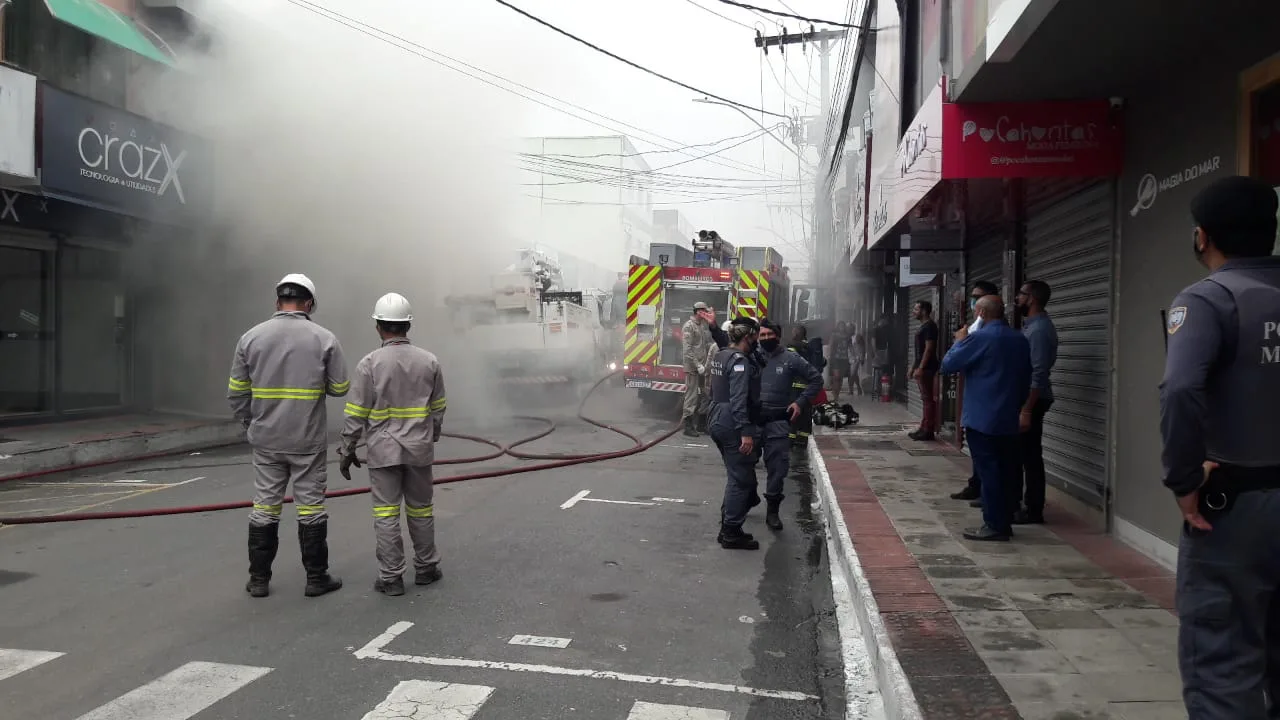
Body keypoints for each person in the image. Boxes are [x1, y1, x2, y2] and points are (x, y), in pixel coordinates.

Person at [1158, 175, 1280, 719]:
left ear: (1202, 236)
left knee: (1224, 665)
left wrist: (1185, 481)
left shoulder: (1209, 299)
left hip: (1237, 508)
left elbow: (1181, 389)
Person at [229, 273, 349, 598]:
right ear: (309, 303)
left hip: (266, 439)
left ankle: (258, 580)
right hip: (306, 440)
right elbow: (340, 388)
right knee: (310, 508)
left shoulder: (250, 338)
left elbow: (237, 393)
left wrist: (250, 423)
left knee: (264, 506)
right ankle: (316, 578)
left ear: (277, 301)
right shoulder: (324, 338)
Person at [338, 292, 447, 597]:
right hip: (419, 450)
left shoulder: (369, 364)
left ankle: (391, 578)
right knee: (421, 510)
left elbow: (356, 413)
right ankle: (426, 569)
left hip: (383, 452)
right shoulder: (430, 361)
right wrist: (431, 435)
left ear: (378, 326)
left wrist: (347, 450)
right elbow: (438, 407)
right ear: (407, 326)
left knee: (386, 514)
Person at [940, 295, 1030, 542]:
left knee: (989, 472)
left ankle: (994, 524)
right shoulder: (1019, 339)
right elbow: (1026, 378)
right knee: (1007, 470)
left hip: (982, 418)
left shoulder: (978, 339)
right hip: (1007, 417)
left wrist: (960, 341)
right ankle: (1006, 516)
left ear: (980, 313)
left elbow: (948, 365)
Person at [756, 320, 823, 530]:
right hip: (753, 422)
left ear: (778, 335)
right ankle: (744, 499)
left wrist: (800, 402)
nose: (765, 338)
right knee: (741, 467)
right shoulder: (752, 356)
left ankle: (772, 512)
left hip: (778, 421)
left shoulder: (791, 358)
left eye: (769, 334)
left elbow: (816, 380)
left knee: (777, 468)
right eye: (762, 335)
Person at [707, 316, 763, 550]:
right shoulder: (740, 361)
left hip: (716, 416)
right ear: (748, 337)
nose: (757, 342)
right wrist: (745, 432)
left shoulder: (721, 355)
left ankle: (730, 527)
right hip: (732, 421)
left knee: (738, 475)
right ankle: (730, 531)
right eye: (756, 338)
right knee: (739, 479)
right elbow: (739, 399)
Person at [1012, 279, 1058, 525]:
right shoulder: (1031, 326)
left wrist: (1027, 410)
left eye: (1021, 294)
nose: (1017, 298)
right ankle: (1023, 504)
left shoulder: (1039, 330)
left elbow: (1038, 374)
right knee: (1023, 453)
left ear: (1032, 298)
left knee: (1030, 455)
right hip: (1026, 398)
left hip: (1033, 400)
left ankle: (1033, 509)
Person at [951, 280, 1001, 504]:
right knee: (982, 454)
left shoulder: (989, 333)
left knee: (989, 456)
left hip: (988, 403)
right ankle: (978, 486)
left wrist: (959, 344)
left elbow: (950, 362)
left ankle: (993, 506)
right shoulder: (978, 328)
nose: (972, 301)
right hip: (980, 401)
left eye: (976, 297)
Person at [681, 302, 715, 437]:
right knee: (691, 396)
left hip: (703, 366)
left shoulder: (701, 325)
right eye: (703, 311)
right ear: (698, 311)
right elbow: (687, 349)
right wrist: (697, 365)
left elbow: (703, 345)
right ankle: (688, 426)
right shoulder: (689, 326)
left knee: (706, 394)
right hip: (693, 368)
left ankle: (701, 424)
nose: (705, 313)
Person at [909, 300, 940, 441]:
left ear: (924, 311)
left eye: (916, 309)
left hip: (927, 368)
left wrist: (920, 368)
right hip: (922, 367)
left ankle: (928, 429)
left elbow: (929, 349)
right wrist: (912, 367)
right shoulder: (924, 326)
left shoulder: (930, 327)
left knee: (928, 399)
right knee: (925, 398)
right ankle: (924, 427)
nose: (914, 312)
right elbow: (919, 351)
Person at [786, 325, 822, 447]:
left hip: (794, 387)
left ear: (797, 333)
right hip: (808, 387)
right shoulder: (810, 347)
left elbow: (787, 362)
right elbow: (821, 362)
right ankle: (802, 440)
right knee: (805, 415)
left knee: (793, 413)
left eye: (794, 331)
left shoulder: (792, 346)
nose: (793, 333)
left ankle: (791, 440)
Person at [829, 321, 853, 403]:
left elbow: (850, 347)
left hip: (844, 359)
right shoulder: (834, 335)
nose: (842, 327)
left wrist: (854, 356)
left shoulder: (848, 337)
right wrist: (830, 356)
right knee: (836, 377)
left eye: (843, 326)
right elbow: (831, 345)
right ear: (838, 327)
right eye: (840, 326)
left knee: (841, 379)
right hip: (835, 358)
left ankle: (837, 395)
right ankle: (835, 396)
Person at [850, 325, 866, 395]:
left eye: (851, 328)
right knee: (854, 374)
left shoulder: (858, 336)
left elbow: (862, 348)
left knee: (852, 374)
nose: (849, 330)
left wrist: (862, 358)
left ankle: (851, 390)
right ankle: (858, 388)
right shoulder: (848, 336)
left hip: (856, 358)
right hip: (849, 357)